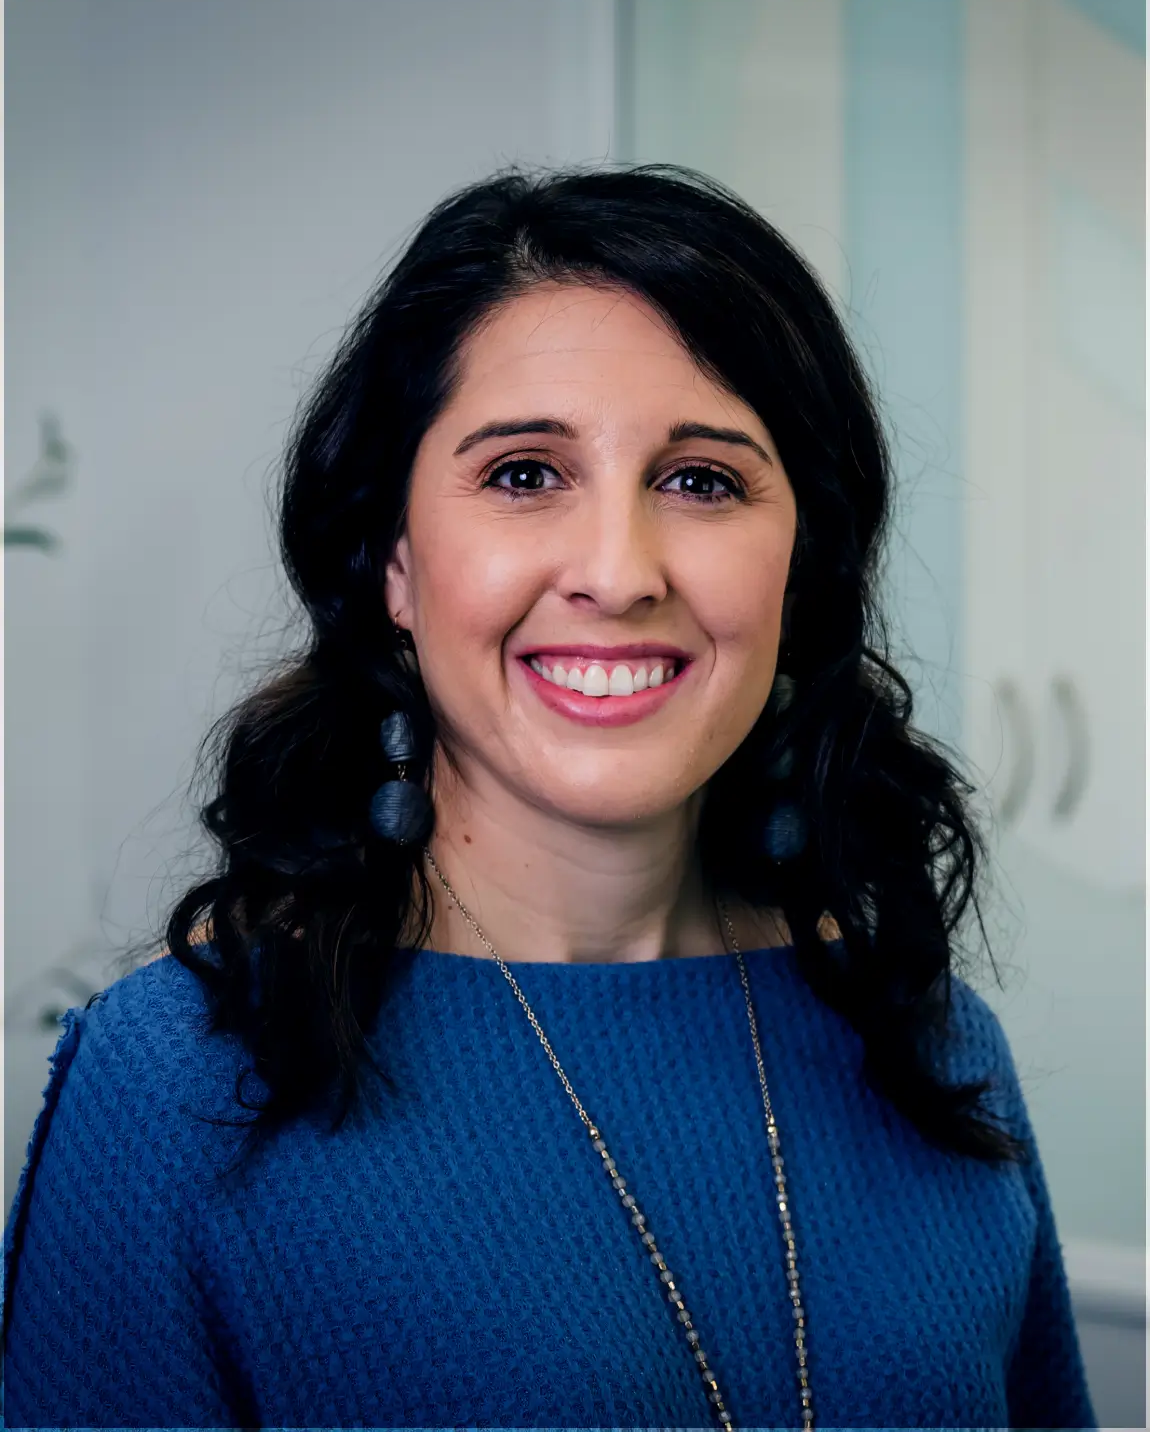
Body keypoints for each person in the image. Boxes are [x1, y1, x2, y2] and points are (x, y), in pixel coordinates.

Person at [2, 164, 1096, 1430]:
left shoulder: (934, 1045)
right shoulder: (180, 1082)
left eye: (703, 480)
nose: (619, 572)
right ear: (395, 564)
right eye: (524, 474)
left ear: (800, 569)